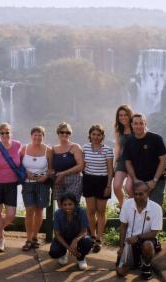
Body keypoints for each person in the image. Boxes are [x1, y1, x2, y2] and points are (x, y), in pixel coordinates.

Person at [116, 181, 163, 280]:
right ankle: (136, 261)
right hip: (130, 241)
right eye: (135, 194)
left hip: (147, 239)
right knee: (120, 272)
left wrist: (137, 237)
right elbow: (123, 226)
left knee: (147, 246)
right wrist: (121, 247)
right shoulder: (127, 204)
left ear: (148, 193)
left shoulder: (156, 208)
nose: (137, 197)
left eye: (141, 194)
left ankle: (146, 265)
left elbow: (154, 232)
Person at [0, 122, 21, 252]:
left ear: (11, 133)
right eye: (2, 133)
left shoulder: (17, 145)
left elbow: (26, 156)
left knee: (11, 214)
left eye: (7, 132)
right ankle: (1, 240)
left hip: (11, 184)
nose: (5, 135)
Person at [124, 113, 166, 206]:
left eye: (141, 123)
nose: (138, 126)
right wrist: (135, 180)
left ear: (145, 124)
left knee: (155, 208)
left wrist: (154, 181)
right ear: (131, 125)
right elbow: (128, 162)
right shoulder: (129, 141)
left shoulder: (156, 139)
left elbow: (163, 160)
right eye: (135, 123)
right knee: (139, 209)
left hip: (157, 181)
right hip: (139, 182)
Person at [82, 125, 113, 253]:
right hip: (88, 180)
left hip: (102, 181)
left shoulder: (107, 150)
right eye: (93, 134)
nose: (96, 137)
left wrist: (108, 186)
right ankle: (92, 236)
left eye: (98, 135)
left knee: (101, 211)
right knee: (90, 210)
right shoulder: (85, 148)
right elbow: (82, 165)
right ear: (90, 135)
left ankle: (99, 239)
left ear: (102, 136)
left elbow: (111, 170)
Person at [20, 126, 52, 251]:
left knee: (39, 211)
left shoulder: (48, 150)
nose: (37, 137)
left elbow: (51, 168)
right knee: (29, 210)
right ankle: (28, 239)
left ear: (43, 137)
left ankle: (34, 237)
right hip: (27, 183)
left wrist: (46, 176)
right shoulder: (24, 148)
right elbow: (18, 165)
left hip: (42, 184)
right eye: (35, 135)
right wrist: (26, 173)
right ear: (31, 136)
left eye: (40, 135)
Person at [49, 192, 92, 271]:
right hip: (63, 238)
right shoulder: (57, 214)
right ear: (61, 205)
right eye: (64, 205)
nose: (67, 207)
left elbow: (84, 231)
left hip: (78, 238)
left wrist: (75, 240)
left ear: (75, 204)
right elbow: (57, 234)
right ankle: (63, 253)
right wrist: (69, 248)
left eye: (70, 204)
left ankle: (81, 258)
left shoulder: (82, 211)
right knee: (53, 252)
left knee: (88, 242)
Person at [52, 122, 84, 205]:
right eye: (62, 132)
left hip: (74, 179)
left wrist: (63, 173)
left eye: (68, 132)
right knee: (61, 206)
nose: (65, 134)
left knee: (71, 205)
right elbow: (50, 167)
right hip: (58, 180)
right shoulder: (53, 148)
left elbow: (81, 166)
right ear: (58, 133)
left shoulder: (75, 147)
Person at [113, 105, 134, 207]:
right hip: (121, 161)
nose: (123, 117)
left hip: (134, 162)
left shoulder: (136, 127)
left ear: (130, 115)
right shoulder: (118, 129)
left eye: (125, 115)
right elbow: (117, 147)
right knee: (116, 187)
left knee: (129, 188)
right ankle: (124, 207)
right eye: (120, 115)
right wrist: (114, 164)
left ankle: (135, 209)